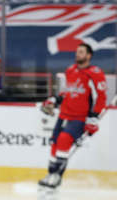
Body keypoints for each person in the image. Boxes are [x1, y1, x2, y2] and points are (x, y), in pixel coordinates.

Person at [39, 43, 107, 189]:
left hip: (79, 117)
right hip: (64, 114)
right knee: (55, 143)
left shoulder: (95, 73)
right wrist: (55, 99)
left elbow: (101, 97)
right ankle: (50, 174)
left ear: (89, 55)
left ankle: (57, 176)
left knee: (64, 140)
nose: (77, 54)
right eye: (77, 52)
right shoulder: (70, 70)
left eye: (81, 52)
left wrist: (93, 117)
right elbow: (68, 91)